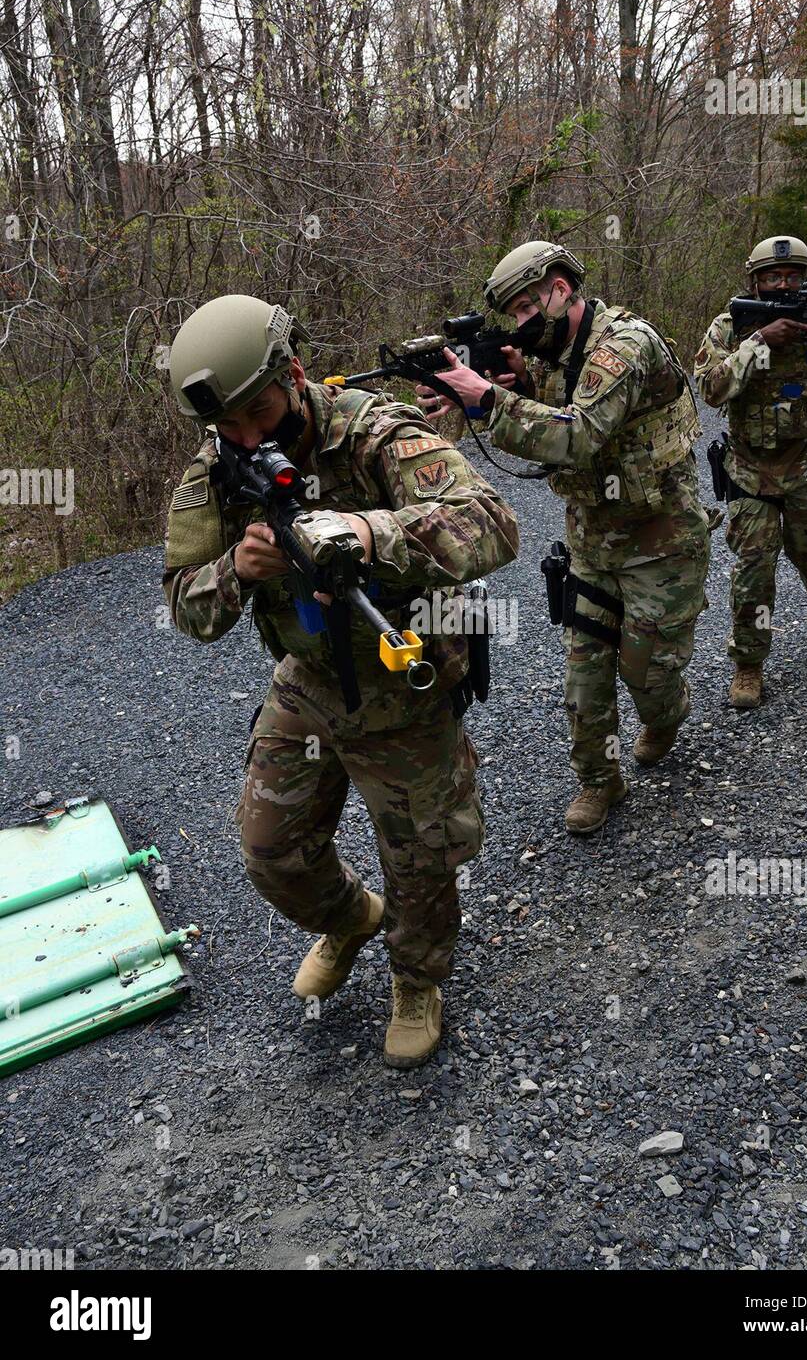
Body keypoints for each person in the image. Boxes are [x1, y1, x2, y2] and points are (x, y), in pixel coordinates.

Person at [163, 294, 518, 1067]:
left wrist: (368, 530)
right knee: (272, 852)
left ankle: (417, 979)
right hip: (313, 676)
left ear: (294, 375)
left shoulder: (375, 430)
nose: (251, 438)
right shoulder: (217, 469)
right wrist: (237, 570)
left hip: (407, 675)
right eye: (231, 427)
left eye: (262, 413)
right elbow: (184, 607)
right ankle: (354, 919)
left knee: (422, 858)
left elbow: (491, 524)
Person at [418, 242, 711, 836]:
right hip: (593, 542)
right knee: (585, 682)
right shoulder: (550, 352)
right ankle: (598, 781)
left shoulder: (623, 345)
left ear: (560, 287)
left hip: (662, 541)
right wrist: (494, 388)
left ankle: (665, 715)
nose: (523, 323)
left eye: (529, 306)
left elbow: (575, 438)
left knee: (648, 676)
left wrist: (489, 399)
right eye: (515, 313)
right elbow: (543, 410)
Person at [694, 235, 807, 708]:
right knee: (753, 571)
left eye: (792, 276)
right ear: (754, 282)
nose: (782, 284)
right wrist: (759, 342)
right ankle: (749, 665)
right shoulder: (729, 326)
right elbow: (711, 389)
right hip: (749, 469)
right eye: (772, 277)